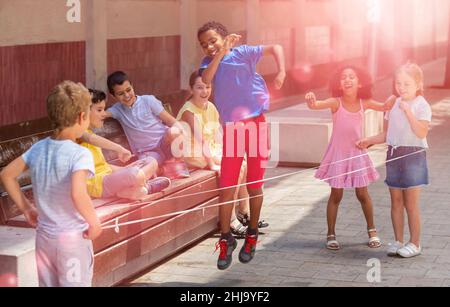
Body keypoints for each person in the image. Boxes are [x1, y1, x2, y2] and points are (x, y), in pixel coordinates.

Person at [198, 21, 286, 269]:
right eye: (204, 44)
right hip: (233, 128)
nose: (209, 46)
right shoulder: (208, 64)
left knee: (255, 184)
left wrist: (281, 72)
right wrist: (220, 51)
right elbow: (206, 79)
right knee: (227, 186)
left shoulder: (244, 52)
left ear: (225, 37)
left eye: (213, 40)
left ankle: (252, 234)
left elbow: (276, 47)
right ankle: (226, 238)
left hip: (256, 123)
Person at [0, 81, 101, 286]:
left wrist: (27, 209)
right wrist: (94, 223)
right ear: (81, 117)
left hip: (44, 239)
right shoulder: (80, 154)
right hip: (72, 241)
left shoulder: (38, 149)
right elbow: (78, 194)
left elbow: (6, 175)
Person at [305, 65, 396, 250]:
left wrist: (397, 93)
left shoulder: (365, 102)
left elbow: (386, 106)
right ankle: (331, 234)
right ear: (339, 83)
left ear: (359, 82)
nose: (347, 79)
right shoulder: (335, 102)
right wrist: (311, 100)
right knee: (336, 194)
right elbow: (315, 105)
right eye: (344, 77)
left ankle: (372, 230)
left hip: (357, 155)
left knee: (362, 194)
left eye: (352, 77)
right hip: (338, 155)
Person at [357, 63, 432, 258]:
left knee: (411, 203)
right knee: (396, 201)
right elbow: (387, 133)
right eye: (398, 83)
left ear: (418, 84)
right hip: (394, 154)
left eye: (407, 84)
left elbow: (421, 131)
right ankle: (399, 240)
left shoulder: (421, 105)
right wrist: (369, 141)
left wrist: (408, 111)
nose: (402, 87)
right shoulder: (393, 104)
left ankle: (415, 243)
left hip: (413, 155)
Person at [176, 71, 250, 238]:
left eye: (207, 87)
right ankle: (230, 218)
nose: (204, 91)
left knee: (241, 160)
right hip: (193, 153)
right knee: (234, 167)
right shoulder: (189, 111)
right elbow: (201, 140)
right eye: (199, 87)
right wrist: (213, 164)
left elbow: (218, 134)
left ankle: (243, 211)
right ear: (191, 89)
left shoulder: (211, 107)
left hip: (210, 148)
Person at [80, 89, 170, 200]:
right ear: (84, 112)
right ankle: (146, 186)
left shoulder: (90, 133)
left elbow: (103, 166)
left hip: (108, 178)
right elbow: (91, 139)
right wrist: (119, 149)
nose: (104, 114)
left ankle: (131, 191)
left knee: (151, 162)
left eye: (104, 109)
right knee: (135, 174)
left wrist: (124, 169)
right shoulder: (79, 133)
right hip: (97, 185)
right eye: (99, 110)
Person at [105, 71, 185, 174]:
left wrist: (183, 134)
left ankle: (178, 165)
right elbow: (101, 114)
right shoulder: (117, 110)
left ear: (132, 86)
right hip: (149, 153)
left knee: (174, 131)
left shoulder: (148, 101)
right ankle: (165, 169)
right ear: (113, 96)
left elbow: (171, 121)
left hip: (164, 143)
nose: (126, 95)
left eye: (128, 90)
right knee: (143, 170)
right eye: (120, 94)